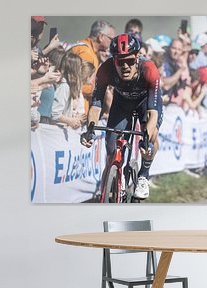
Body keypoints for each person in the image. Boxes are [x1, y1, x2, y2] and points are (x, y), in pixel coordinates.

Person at [80, 33, 163, 200]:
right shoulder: (105, 70)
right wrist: (89, 129)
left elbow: (153, 113)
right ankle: (116, 179)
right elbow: (96, 106)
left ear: (137, 58)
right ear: (113, 60)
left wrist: (146, 138)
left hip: (145, 104)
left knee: (152, 136)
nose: (125, 66)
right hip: (121, 104)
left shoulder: (149, 69)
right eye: (120, 61)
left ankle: (143, 176)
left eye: (130, 61)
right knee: (112, 151)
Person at [71, 20, 116, 112]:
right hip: (75, 111)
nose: (113, 43)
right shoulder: (86, 53)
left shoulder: (87, 50)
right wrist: (101, 91)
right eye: (111, 39)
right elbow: (82, 86)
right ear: (101, 37)